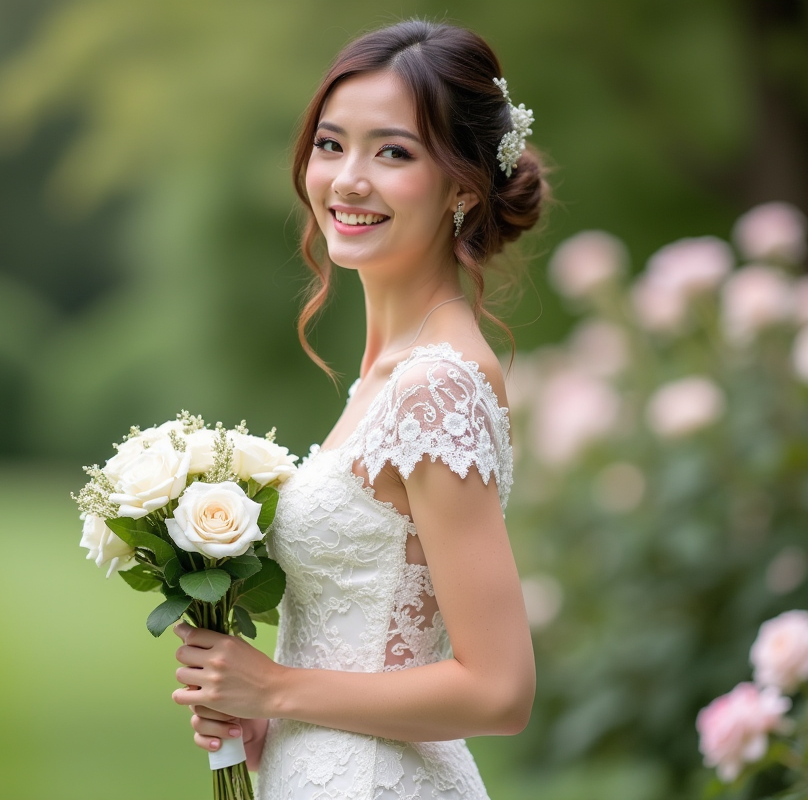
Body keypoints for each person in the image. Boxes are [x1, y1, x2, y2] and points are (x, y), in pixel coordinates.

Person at [170, 19, 549, 799]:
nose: (347, 179)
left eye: (394, 152)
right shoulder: (388, 377)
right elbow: (373, 651)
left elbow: (500, 689)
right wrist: (262, 715)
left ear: (464, 186)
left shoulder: (434, 388)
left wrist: (275, 687)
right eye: (332, 144)